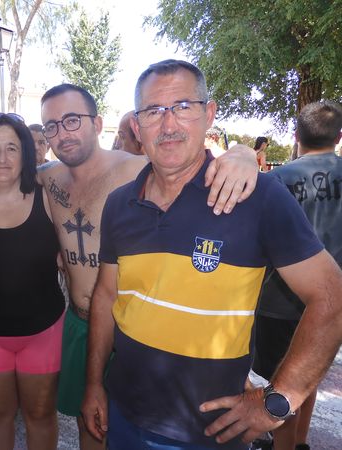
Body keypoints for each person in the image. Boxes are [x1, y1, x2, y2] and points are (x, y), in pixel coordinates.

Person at [0, 83, 259, 450]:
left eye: (72, 120)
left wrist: (242, 155)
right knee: (91, 425)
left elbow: (193, 162)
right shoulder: (47, 178)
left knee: (151, 431)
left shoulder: (137, 169)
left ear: (97, 124)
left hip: (133, 328)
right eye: (52, 126)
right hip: (79, 323)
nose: (62, 133)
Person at [81, 59, 342, 450]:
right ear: (136, 126)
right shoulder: (120, 204)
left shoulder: (256, 197)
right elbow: (105, 296)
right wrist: (93, 384)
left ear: (209, 114)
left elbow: (332, 296)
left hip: (209, 435)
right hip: (124, 416)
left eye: (183, 106)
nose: (168, 124)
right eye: (153, 111)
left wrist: (278, 400)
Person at [0, 112, 65, 450]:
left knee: (41, 416)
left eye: (12, 148)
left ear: (25, 154)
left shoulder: (47, 195)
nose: (2, 158)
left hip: (45, 334)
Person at [252, 100, 342, 450]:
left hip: (279, 300)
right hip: (332, 302)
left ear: (295, 135)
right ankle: (299, 441)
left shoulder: (275, 180)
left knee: (279, 381)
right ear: (338, 137)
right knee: (310, 370)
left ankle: (285, 445)